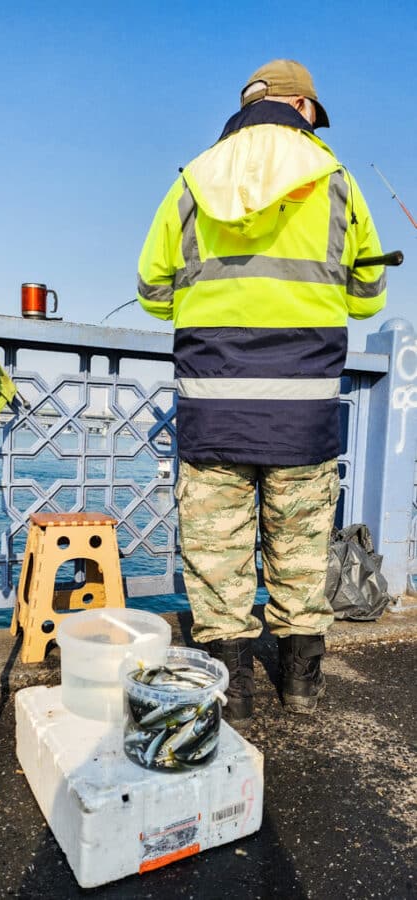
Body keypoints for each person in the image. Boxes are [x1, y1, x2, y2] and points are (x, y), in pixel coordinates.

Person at [136, 59, 386, 719]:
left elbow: (153, 292)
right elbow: (367, 296)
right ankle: (300, 684)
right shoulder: (335, 180)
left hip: (213, 402)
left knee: (217, 553)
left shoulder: (192, 179)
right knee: (299, 549)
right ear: (301, 106)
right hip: (302, 408)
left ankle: (233, 691)